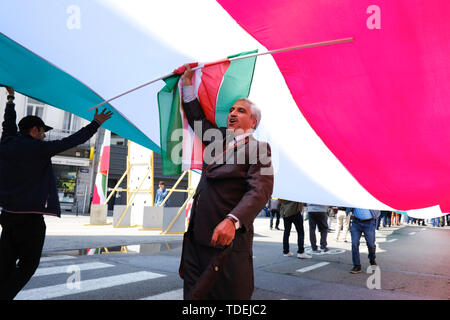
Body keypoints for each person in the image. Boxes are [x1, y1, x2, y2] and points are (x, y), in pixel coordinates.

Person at [0, 86, 112, 300]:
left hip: (8, 216)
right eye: (42, 131)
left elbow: (8, 123)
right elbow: (70, 141)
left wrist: (11, 99)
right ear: (34, 131)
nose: (44, 136)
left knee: (4, 263)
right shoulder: (39, 149)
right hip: (30, 219)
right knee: (28, 264)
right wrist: (96, 123)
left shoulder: (7, 142)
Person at [179, 65, 274, 299]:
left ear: (253, 122)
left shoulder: (259, 148)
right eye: (231, 109)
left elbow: (260, 191)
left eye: (241, 111)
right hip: (195, 242)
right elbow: (196, 118)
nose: (232, 113)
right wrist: (188, 84)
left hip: (225, 245)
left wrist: (233, 221)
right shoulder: (218, 140)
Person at [346, 207, 380, 274]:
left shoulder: (371, 197)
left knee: (371, 244)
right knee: (354, 244)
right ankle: (357, 265)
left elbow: (378, 208)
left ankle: (372, 259)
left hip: (369, 223)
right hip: (356, 222)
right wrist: (348, 212)